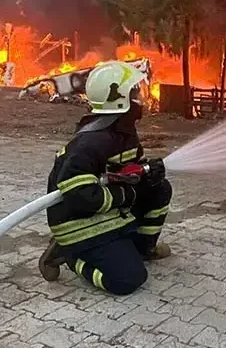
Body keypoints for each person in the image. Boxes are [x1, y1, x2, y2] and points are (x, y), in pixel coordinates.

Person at [37, 61, 172, 295]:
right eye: (135, 93)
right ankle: (70, 256)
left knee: (160, 189)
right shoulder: (91, 143)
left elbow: (124, 171)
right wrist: (127, 194)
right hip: (80, 223)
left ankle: (143, 249)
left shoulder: (123, 132)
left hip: (105, 212)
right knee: (127, 279)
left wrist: (146, 173)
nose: (141, 99)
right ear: (120, 100)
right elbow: (79, 195)